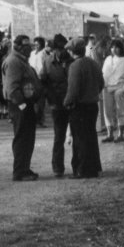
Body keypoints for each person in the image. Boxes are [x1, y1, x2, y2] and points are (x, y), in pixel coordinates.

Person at [2, 34, 42, 181]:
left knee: (27, 138)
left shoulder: (22, 61)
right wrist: (23, 106)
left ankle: (24, 168)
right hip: (19, 106)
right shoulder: (13, 62)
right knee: (22, 138)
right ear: (18, 47)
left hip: (25, 104)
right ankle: (19, 171)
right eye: (26, 46)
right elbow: (12, 89)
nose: (29, 49)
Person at [63, 37, 103, 178]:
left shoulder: (75, 66)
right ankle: (93, 168)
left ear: (72, 51)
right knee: (91, 137)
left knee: (80, 139)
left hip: (80, 107)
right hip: (92, 105)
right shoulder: (93, 63)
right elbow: (101, 83)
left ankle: (81, 169)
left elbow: (73, 90)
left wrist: (66, 103)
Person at [41, 34, 73, 177]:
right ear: (53, 49)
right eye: (57, 49)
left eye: (62, 49)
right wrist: (50, 101)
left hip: (72, 104)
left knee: (76, 136)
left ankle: (78, 167)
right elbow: (43, 82)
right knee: (59, 137)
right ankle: (58, 168)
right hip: (57, 105)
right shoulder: (47, 62)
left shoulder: (73, 62)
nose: (60, 52)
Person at [101, 39, 124, 142]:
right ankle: (109, 134)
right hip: (107, 88)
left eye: (116, 47)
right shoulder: (108, 59)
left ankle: (120, 134)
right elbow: (103, 74)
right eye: (112, 47)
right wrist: (102, 86)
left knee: (120, 111)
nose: (114, 49)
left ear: (121, 48)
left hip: (120, 88)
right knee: (107, 111)